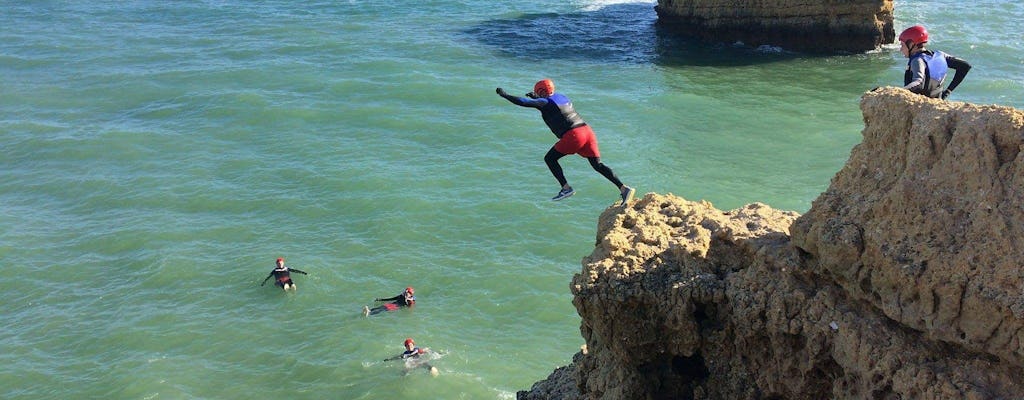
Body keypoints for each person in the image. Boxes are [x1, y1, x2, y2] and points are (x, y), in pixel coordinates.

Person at [496, 79, 636, 205]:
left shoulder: (544, 102)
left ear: (541, 91)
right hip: (587, 131)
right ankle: (624, 189)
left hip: (574, 135)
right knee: (597, 165)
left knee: (550, 159)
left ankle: (566, 188)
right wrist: (538, 98)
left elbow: (524, 102)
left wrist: (505, 95)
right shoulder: (562, 97)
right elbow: (551, 103)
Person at [899, 25, 971, 100]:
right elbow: (965, 66)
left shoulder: (917, 60)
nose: (901, 49)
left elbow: (918, 83)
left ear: (911, 44)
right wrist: (947, 92)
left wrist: (899, 91)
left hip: (921, 106)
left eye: (902, 45)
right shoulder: (940, 55)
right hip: (938, 101)